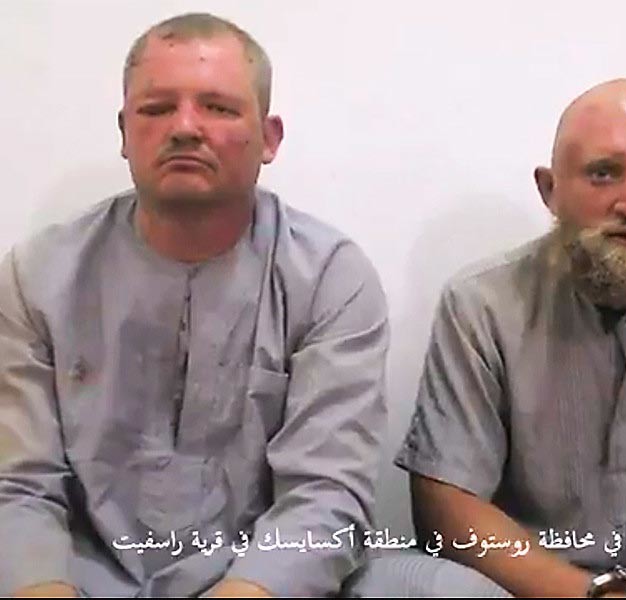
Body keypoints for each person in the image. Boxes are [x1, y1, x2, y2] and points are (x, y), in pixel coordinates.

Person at [354, 79, 626, 597]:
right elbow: (448, 504)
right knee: (395, 584)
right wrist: (590, 594)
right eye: (603, 173)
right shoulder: (481, 303)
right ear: (550, 189)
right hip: (534, 584)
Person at [0, 12, 389, 598]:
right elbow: (19, 487)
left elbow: (326, 495)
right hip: (81, 578)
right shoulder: (38, 275)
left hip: (258, 581)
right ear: (125, 131)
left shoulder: (331, 277)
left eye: (218, 108)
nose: (184, 128)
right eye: (157, 109)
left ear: (269, 138)